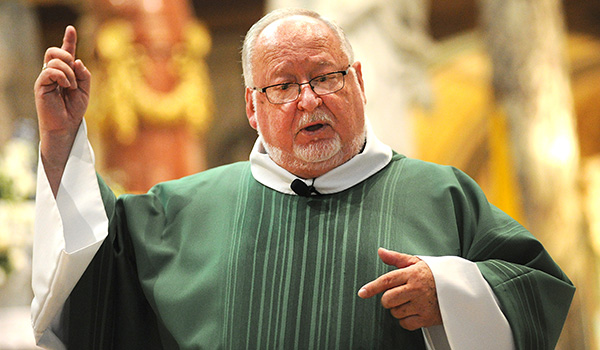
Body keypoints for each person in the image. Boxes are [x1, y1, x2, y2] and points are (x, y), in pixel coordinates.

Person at [32, 8, 574, 350]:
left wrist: (454, 295)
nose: (309, 99)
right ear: (251, 107)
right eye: (283, 86)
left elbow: (538, 288)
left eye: (326, 76)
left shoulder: (442, 194)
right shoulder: (183, 209)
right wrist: (62, 140)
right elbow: (95, 278)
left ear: (358, 81)